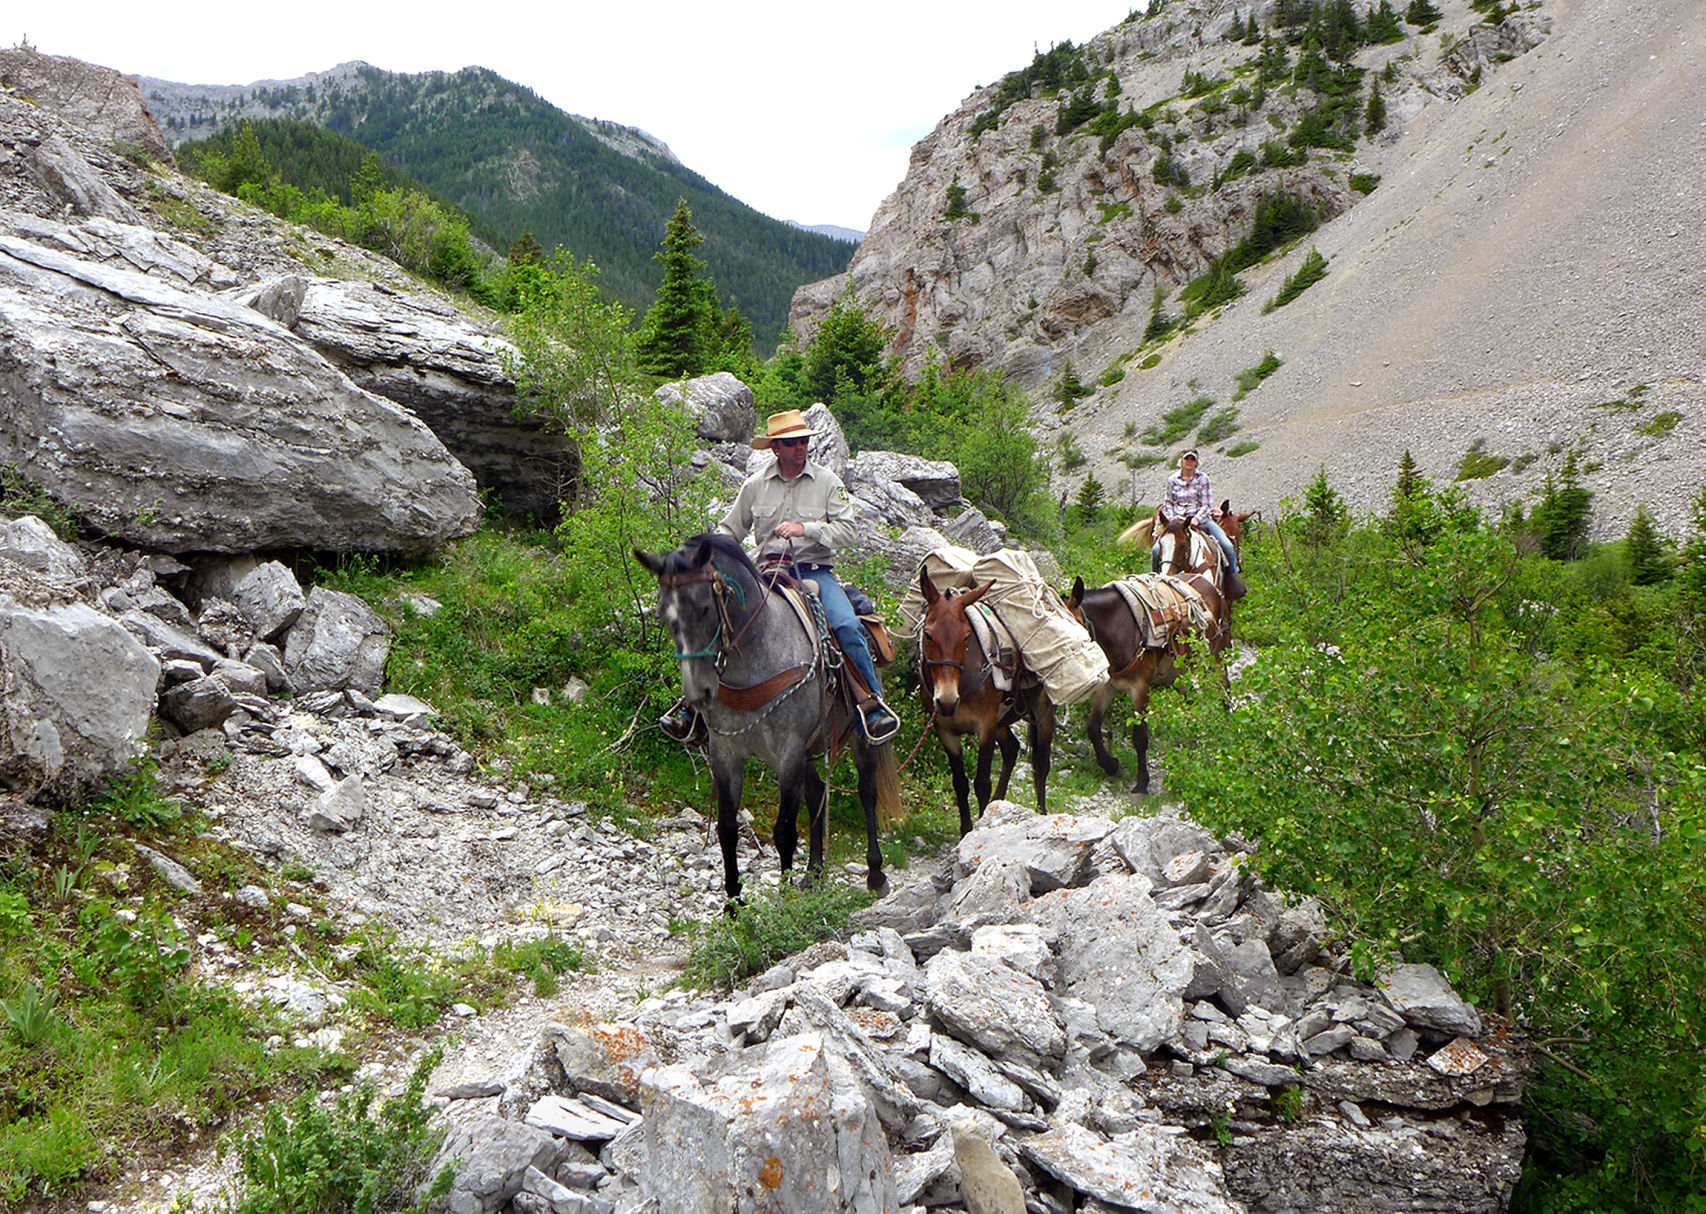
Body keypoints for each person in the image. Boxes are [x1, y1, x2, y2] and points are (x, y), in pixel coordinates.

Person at [660, 408, 899, 745]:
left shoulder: (829, 483)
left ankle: (872, 707)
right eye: (791, 443)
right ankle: (693, 708)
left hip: (815, 572)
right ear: (775, 448)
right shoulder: (754, 486)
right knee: (713, 620)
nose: (799, 447)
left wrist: (806, 528)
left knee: (846, 625)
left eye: (803, 441)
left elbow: (849, 531)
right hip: (763, 572)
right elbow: (730, 529)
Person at [1151, 449, 1240, 575]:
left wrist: (1196, 519)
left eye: (1193, 459)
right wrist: (1171, 520)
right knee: (1156, 550)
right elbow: (1169, 503)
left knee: (1227, 546)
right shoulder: (1172, 480)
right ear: (1182, 461)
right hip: (1177, 521)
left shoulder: (1203, 479)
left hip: (1202, 519)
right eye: (1187, 459)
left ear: (1196, 463)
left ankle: (1234, 580)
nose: (1189, 462)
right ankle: (1155, 579)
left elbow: (1206, 504)